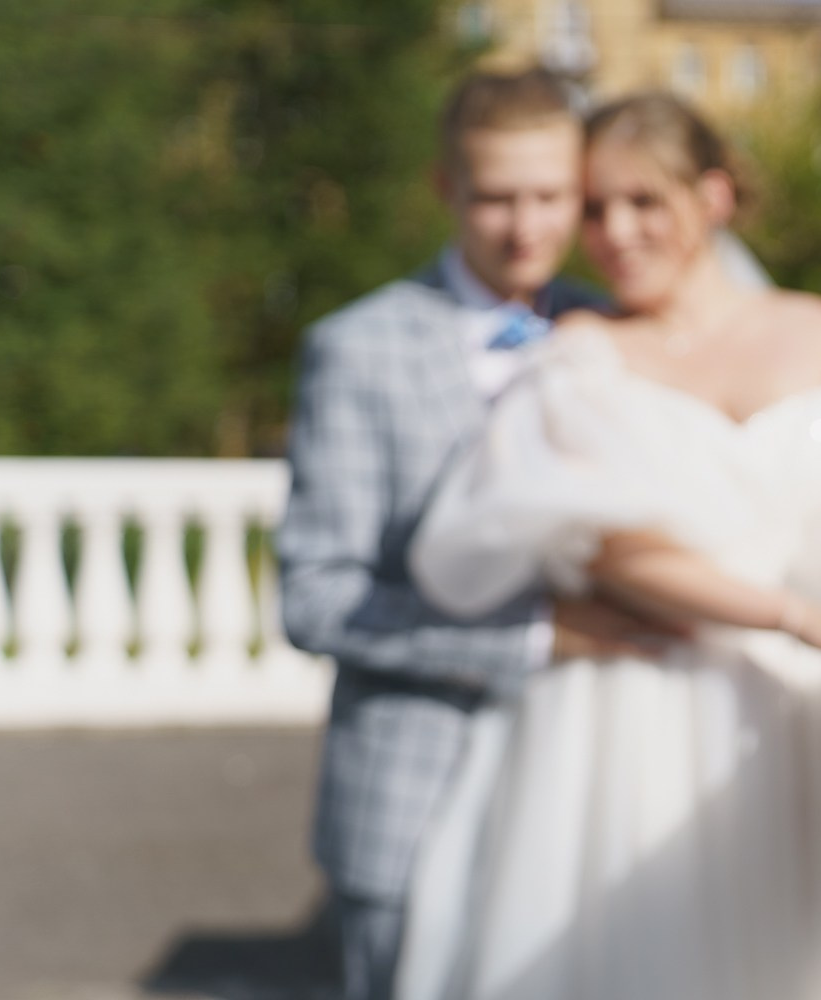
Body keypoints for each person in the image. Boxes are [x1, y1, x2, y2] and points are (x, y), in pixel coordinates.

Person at [392, 92, 821, 999]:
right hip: (634, 717)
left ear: (713, 197)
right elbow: (609, 551)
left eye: (645, 202)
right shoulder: (582, 350)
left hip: (803, 727)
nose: (614, 233)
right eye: (595, 209)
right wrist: (789, 616)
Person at [277, 68, 670, 1000]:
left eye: (550, 197)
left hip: (592, 791)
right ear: (445, 188)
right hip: (412, 796)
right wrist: (541, 637)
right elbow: (317, 599)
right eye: (496, 197)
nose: (526, 228)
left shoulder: (621, 328)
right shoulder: (357, 349)